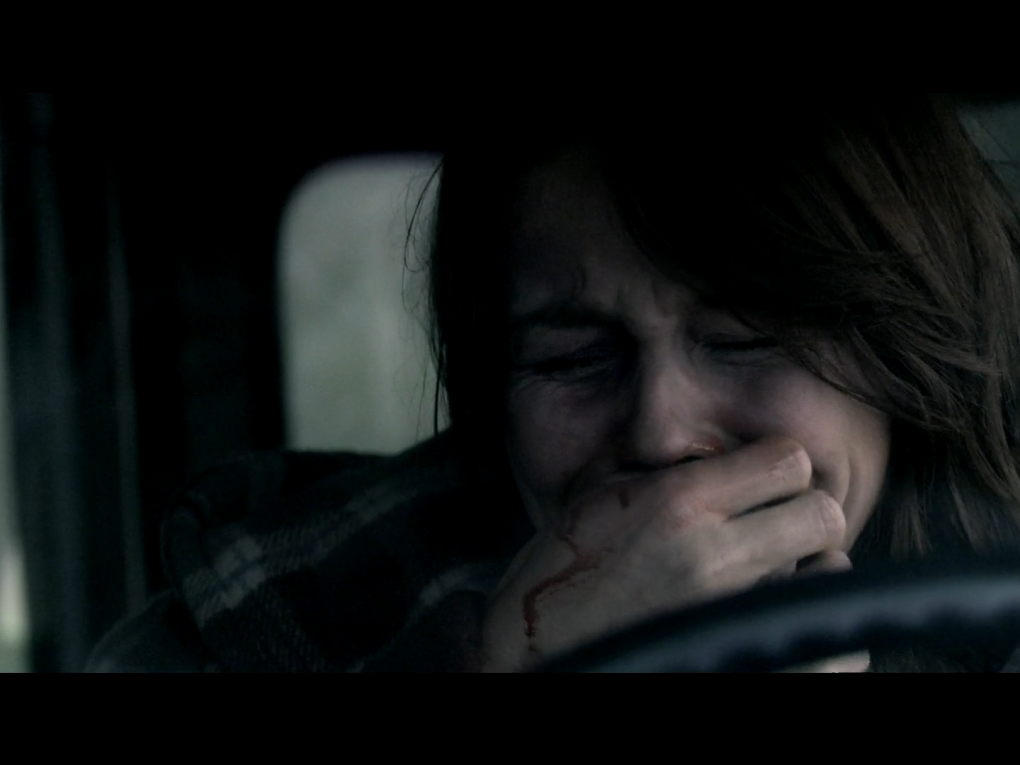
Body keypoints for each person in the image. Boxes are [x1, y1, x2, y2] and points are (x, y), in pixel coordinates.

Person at [87, 94, 1020, 672]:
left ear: (906, 363)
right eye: (571, 358)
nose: (661, 433)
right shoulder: (241, 632)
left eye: (749, 340)